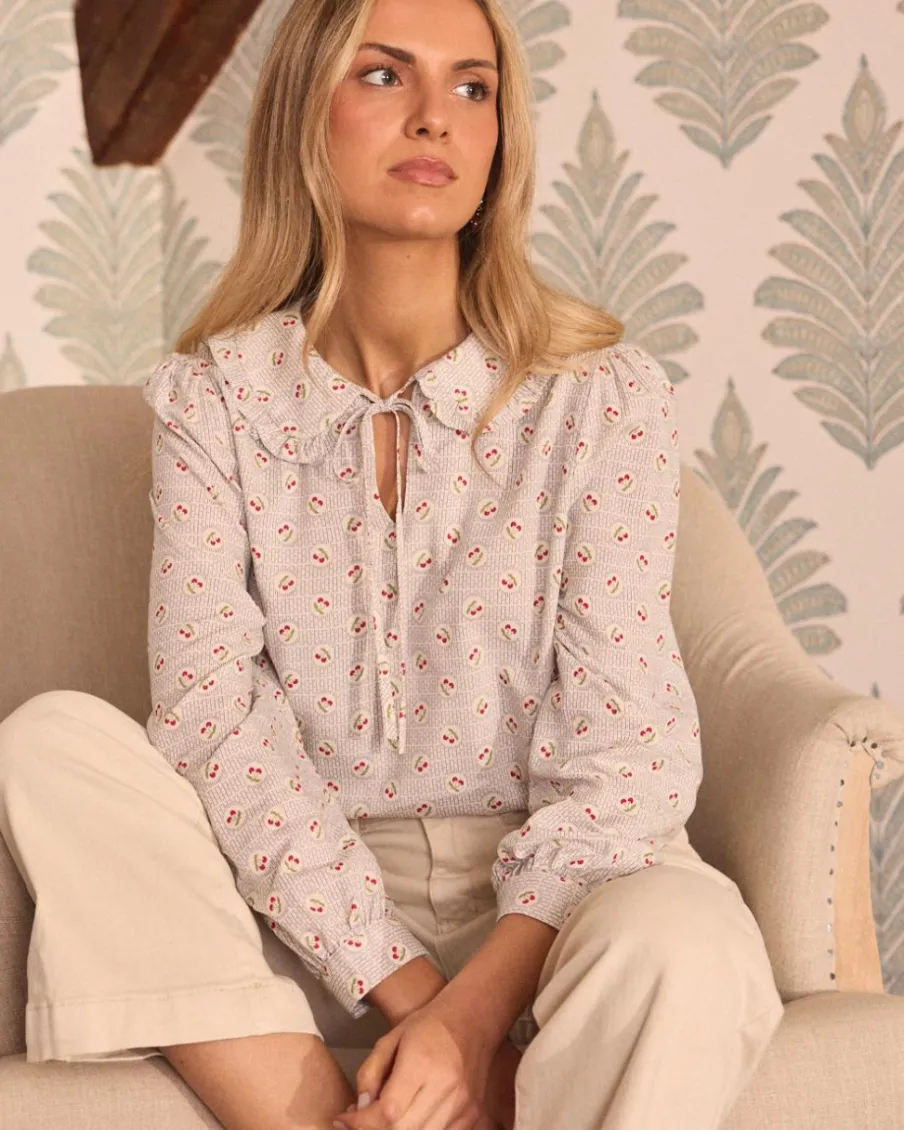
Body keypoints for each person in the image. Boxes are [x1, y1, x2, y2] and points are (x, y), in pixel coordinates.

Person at [0, 0, 785, 1128]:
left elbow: (626, 757)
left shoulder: (602, 399)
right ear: (304, 111)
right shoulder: (213, 402)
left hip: (558, 907)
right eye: (383, 75)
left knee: (686, 942)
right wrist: (417, 1000)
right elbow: (212, 722)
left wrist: (473, 1017)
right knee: (51, 741)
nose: (435, 117)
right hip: (297, 902)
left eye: (473, 87)